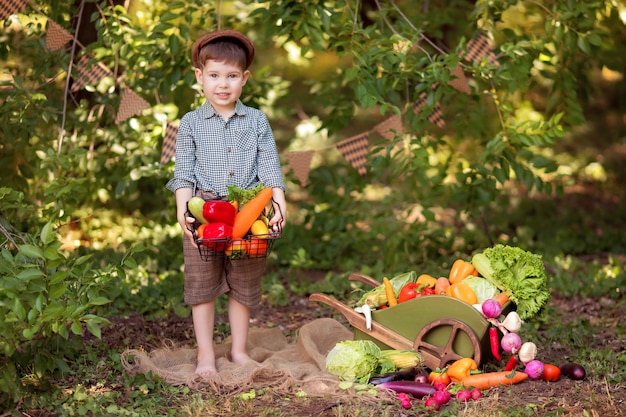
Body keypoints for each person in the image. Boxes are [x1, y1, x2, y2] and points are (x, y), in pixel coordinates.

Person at [166, 29, 287, 377]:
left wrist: (278, 200)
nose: (223, 84)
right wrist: (182, 210)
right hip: (204, 212)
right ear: (199, 77)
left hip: (249, 213)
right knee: (202, 286)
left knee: (244, 285)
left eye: (232, 76)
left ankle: (238, 351)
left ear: (244, 79)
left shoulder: (257, 121)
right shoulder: (190, 123)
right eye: (215, 75)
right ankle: (205, 354)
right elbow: (184, 171)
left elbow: (269, 166)